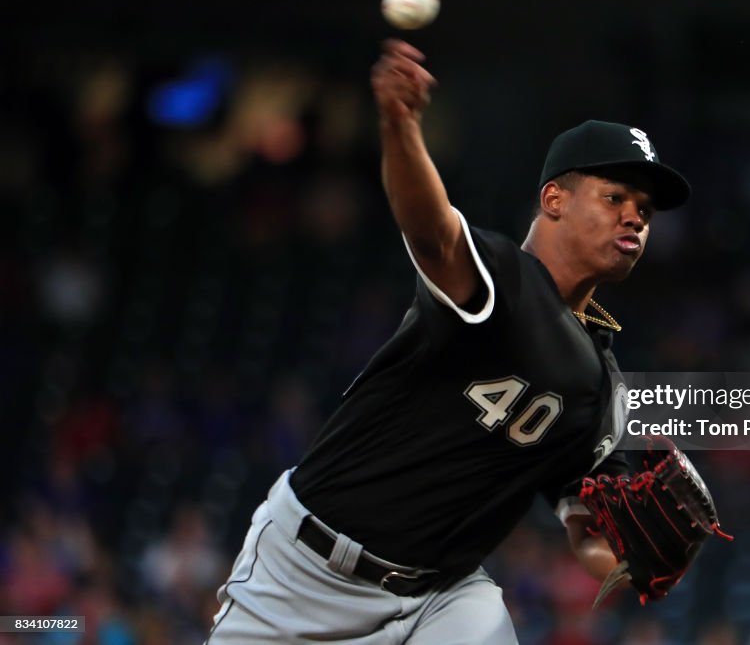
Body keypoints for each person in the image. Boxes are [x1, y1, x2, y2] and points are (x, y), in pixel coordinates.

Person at [205, 39, 691, 644]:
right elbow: (431, 229)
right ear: (554, 199)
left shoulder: (599, 381)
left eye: (644, 209)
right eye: (615, 197)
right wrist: (400, 125)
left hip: (443, 595)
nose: (635, 218)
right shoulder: (502, 278)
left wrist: (627, 561)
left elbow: (586, 524)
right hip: (303, 576)